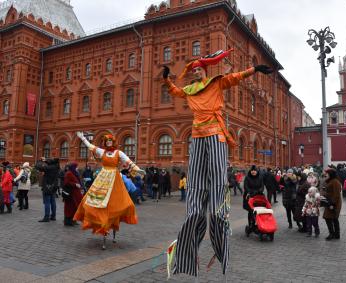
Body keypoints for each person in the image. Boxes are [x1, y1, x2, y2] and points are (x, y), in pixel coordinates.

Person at [163, 49, 273, 277]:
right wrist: (166, 78)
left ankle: (218, 221)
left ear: (205, 70)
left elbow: (235, 77)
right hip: (197, 134)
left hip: (214, 132)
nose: (196, 72)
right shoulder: (190, 89)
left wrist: (254, 69)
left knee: (216, 182)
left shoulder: (215, 82)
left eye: (199, 69)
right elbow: (175, 91)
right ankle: (192, 230)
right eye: (193, 70)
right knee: (195, 183)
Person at [74, 132, 144, 249]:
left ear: (113, 142)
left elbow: (128, 161)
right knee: (94, 200)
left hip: (114, 179)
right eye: (107, 141)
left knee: (116, 202)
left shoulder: (118, 152)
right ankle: (101, 223)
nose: (109, 143)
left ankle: (111, 223)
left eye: (110, 141)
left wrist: (138, 170)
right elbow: (91, 147)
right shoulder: (103, 152)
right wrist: (83, 138)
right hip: (103, 178)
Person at [35, 157, 60, 222]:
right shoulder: (56, 167)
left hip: (47, 186)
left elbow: (38, 167)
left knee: (47, 202)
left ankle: (46, 217)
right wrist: (46, 160)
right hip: (54, 186)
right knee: (53, 201)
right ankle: (53, 216)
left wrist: (40, 160)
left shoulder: (50, 168)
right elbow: (49, 163)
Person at [243, 165, 264, 232]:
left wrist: (259, 191)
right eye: (252, 170)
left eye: (254, 170)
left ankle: (258, 223)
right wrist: (251, 192)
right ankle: (250, 225)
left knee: (258, 211)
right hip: (249, 196)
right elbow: (246, 187)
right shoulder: (247, 177)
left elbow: (262, 186)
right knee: (250, 211)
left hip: (258, 196)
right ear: (250, 171)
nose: (253, 172)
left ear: (257, 171)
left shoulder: (260, 177)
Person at [322, 168, 342, 241]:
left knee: (329, 218)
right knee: (333, 218)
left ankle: (333, 234)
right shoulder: (331, 181)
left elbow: (336, 194)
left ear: (330, 174)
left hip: (333, 203)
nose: (325, 175)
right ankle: (336, 234)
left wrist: (332, 204)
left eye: (327, 173)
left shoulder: (335, 182)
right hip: (329, 202)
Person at [63, 162, 83, 226]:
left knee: (74, 207)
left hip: (75, 194)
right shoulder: (69, 173)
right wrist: (75, 184)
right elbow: (66, 183)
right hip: (70, 194)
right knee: (69, 208)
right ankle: (68, 221)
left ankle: (73, 220)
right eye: (76, 167)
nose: (77, 168)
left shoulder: (75, 173)